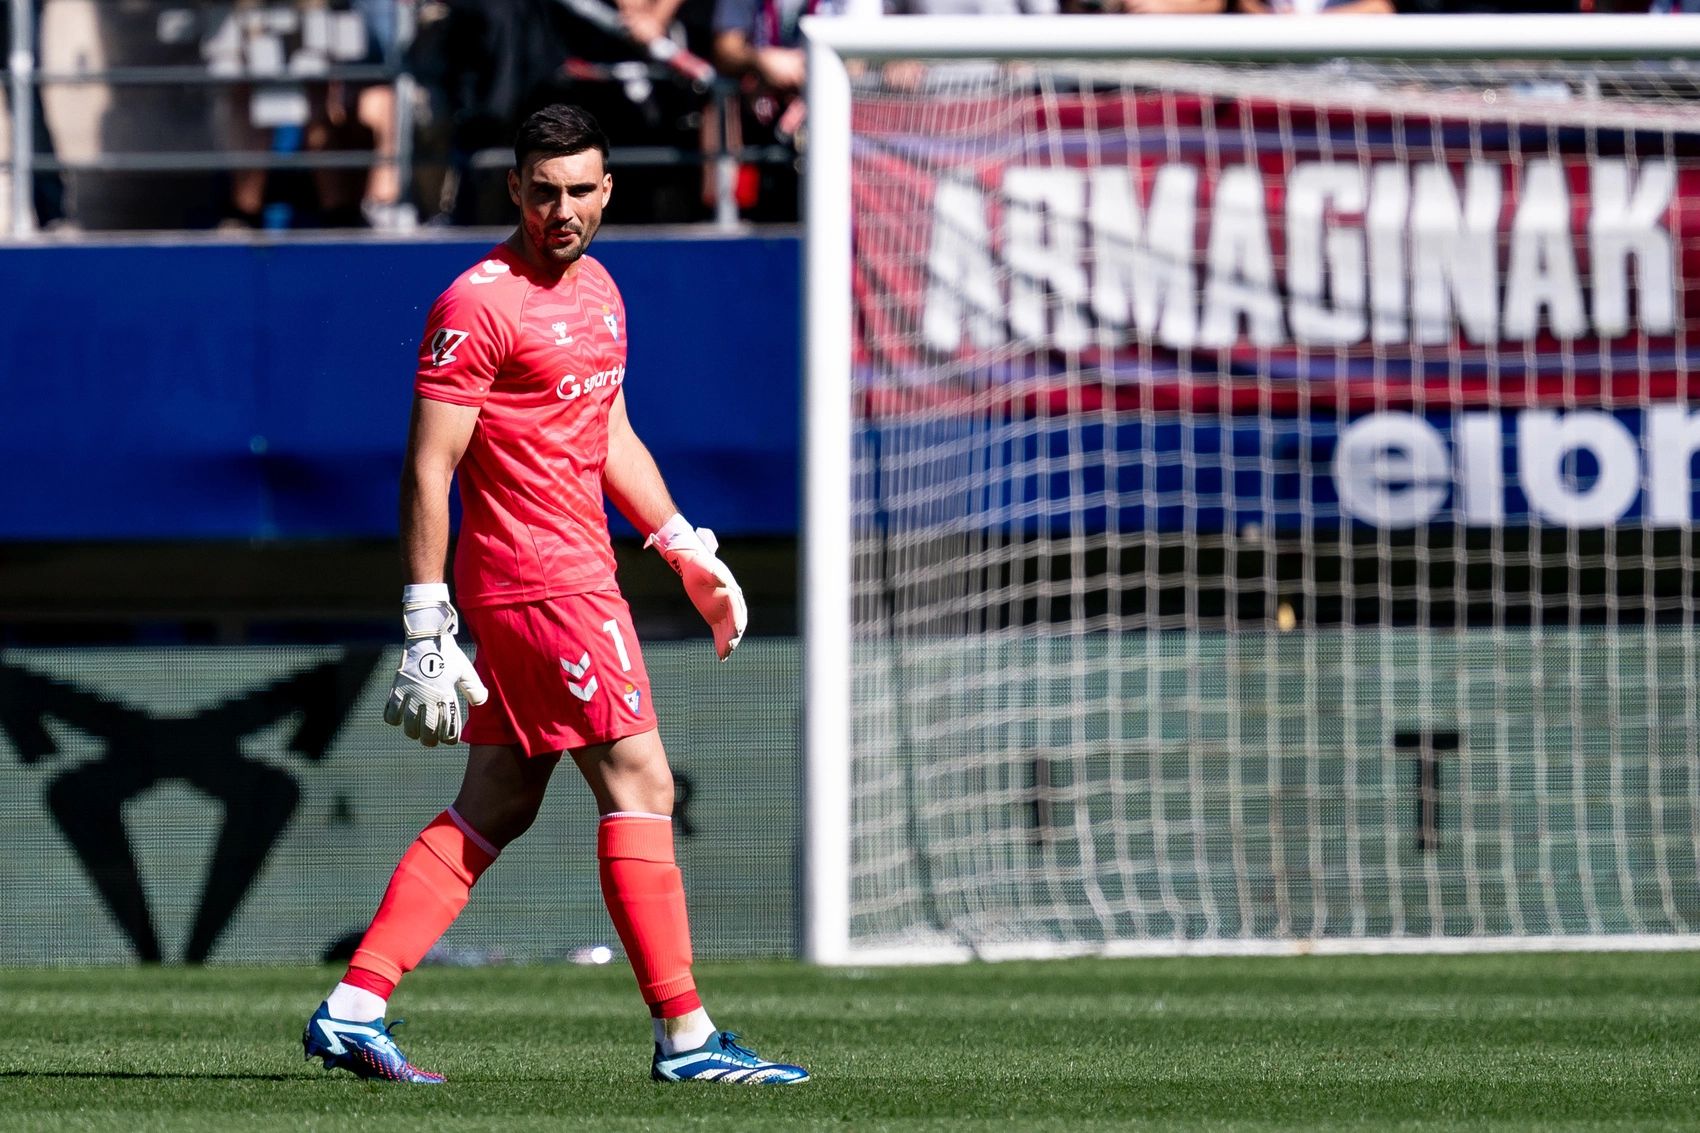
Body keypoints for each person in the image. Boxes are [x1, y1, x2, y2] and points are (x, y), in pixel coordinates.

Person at [301, 102, 809, 1087]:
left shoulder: (602, 291)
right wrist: (422, 617)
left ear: (607, 188)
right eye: (543, 192)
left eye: (580, 190)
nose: (562, 210)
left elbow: (605, 428)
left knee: (496, 799)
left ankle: (353, 1004)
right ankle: (686, 1036)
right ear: (513, 191)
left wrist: (679, 545)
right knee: (641, 782)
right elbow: (428, 468)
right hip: (542, 583)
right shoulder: (478, 301)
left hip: (575, 570)